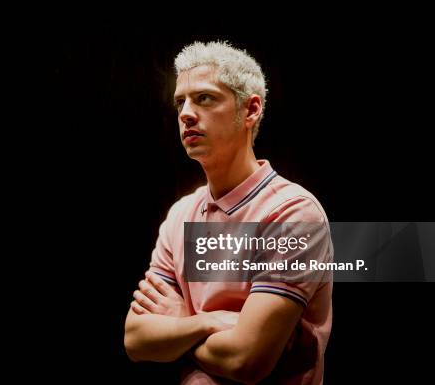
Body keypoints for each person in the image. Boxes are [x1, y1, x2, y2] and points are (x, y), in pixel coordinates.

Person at [124, 41, 332, 384]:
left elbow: (245, 361)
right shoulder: (181, 214)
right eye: (180, 102)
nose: (186, 113)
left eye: (204, 98)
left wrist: (178, 323)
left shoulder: (292, 213)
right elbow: (135, 340)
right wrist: (207, 321)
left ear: (250, 110)